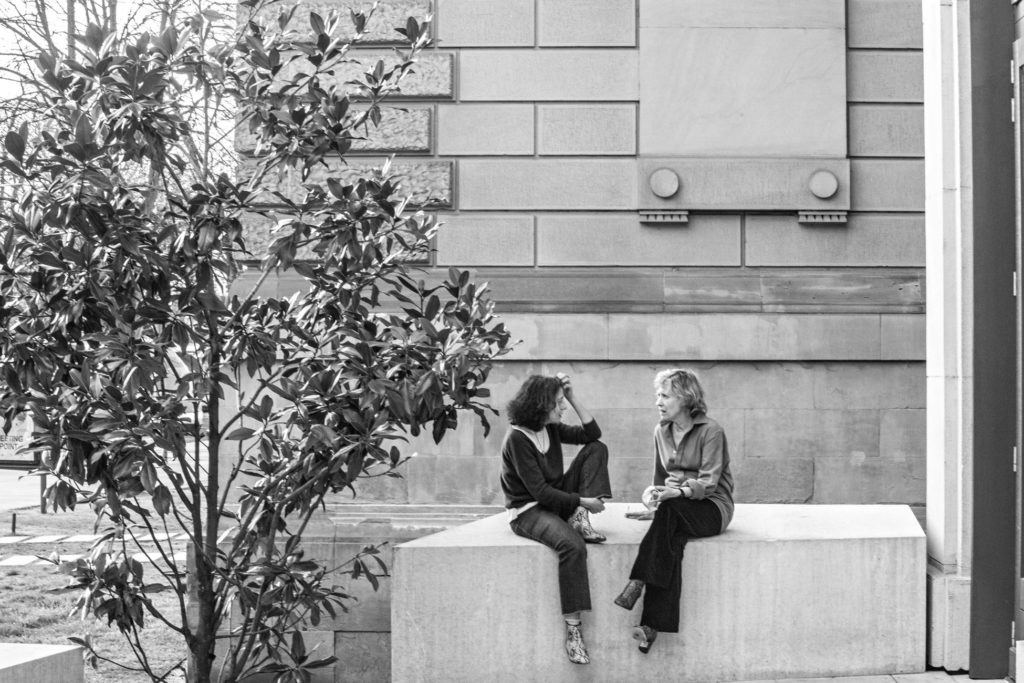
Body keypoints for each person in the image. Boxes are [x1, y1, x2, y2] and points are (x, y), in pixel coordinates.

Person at [614, 368, 735, 653]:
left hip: (712, 507)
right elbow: (659, 478)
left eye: (665, 395)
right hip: (674, 508)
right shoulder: (660, 431)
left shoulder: (711, 431)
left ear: (685, 397)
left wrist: (676, 493)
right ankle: (649, 626)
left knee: (671, 512)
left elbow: (709, 483)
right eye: (657, 395)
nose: (658, 401)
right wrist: (652, 499)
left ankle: (639, 579)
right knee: (671, 544)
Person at [499, 372, 611, 665]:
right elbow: (540, 493)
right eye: (558, 403)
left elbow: (592, 435)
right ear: (541, 405)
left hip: (555, 500)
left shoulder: (550, 428)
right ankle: (573, 631)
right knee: (573, 546)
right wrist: (582, 500)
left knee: (597, 449)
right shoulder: (517, 439)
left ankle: (579, 518)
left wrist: (572, 396)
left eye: (563, 402)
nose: (562, 408)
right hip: (528, 511)